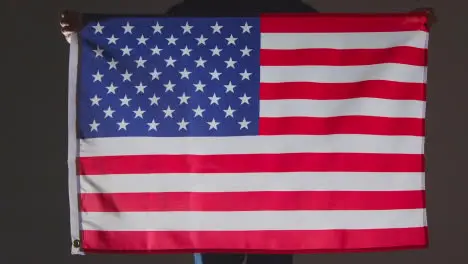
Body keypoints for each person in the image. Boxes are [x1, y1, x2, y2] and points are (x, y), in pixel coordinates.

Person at [59, 1, 436, 263]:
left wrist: (408, 31)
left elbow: (345, 47)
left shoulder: (292, 10)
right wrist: (86, 34)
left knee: (270, 251)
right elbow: (144, 57)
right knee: (213, 250)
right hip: (208, 173)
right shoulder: (190, 12)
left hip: (277, 178)